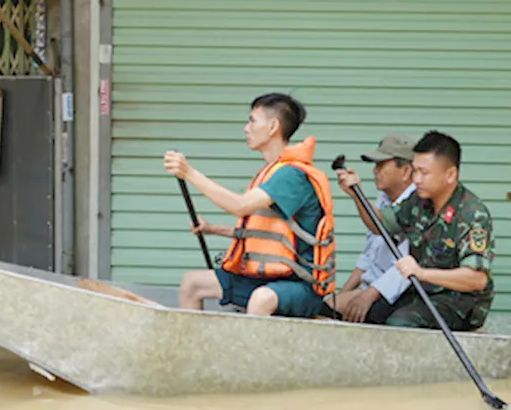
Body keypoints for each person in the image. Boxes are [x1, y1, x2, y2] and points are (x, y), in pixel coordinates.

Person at [164, 94, 337, 318]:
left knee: (261, 298)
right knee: (192, 283)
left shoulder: (291, 175)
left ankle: (248, 353)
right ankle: (190, 351)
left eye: (252, 121)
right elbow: (263, 233)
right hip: (264, 280)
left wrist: (189, 173)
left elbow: (240, 206)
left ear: (273, 126)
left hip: (299, 287)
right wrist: (211, 229)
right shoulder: (271, 171)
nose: (246, 128)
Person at [336, 131, 494, 330]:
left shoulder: (472, 214)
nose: (416, 179)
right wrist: (357, 195)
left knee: (401, 323)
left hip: (459, 302)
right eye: (415, 171)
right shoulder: (419, 202)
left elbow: (476, 279)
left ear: (450, 175)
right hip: (421, 293)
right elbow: (380, 225)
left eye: (424, 172)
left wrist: (422, 273)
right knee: (369, 313)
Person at [333, 134, 416, 324]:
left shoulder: (416, 205)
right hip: (371, 289)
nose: (375, 171)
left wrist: (367, 296)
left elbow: (407, 267)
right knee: (324, 310)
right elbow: (369, 256)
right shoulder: (384, 200)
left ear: (405, 171)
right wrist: (343, 294)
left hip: (396, 294)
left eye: (381, 165)